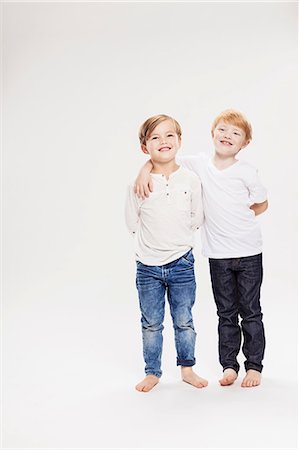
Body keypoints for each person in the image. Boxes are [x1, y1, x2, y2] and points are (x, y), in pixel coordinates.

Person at [135, 109, 268, 388]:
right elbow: (162, 159)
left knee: (251, 311)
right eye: (222, 130)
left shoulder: (246, 171)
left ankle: (253, 366)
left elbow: (262, 204)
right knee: (226, 312)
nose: (227, 136)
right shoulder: (199, 164)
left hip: (248, 252)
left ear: (245, 143)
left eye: (235, 133)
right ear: (212, 134)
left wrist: (239, 219)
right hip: (218, 255)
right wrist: (143, 170)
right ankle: (229, 366)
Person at [125, 114, 208, 392]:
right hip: (147, 266)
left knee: (184, 320)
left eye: (169, 135)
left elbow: (197, 217)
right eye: (155, 137)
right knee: (151, 323)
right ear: (144, 147)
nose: (164, 141)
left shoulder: (190, 179)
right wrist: (144, 170)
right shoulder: (139, 185)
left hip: (182, 262)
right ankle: (153, 372)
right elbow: (131, 222)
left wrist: (179, 237)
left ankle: (187, 368)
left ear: (180, 141)